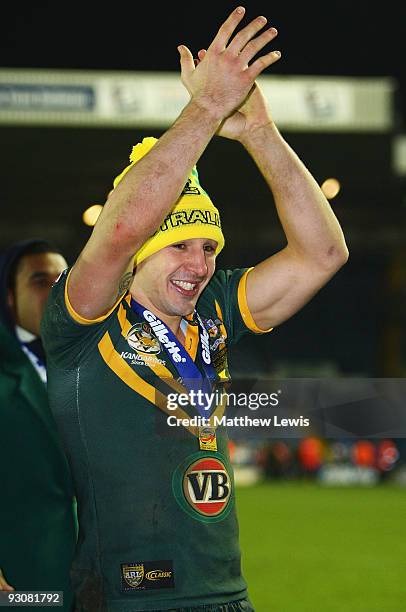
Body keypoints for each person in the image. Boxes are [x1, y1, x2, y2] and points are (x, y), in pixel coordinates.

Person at [41, 6, 348, 611]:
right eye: (180, 245)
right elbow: (124, 227)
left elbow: (323, 253)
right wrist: (206, 109)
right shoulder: (84, 318)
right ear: (140, 257)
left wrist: (260, 131)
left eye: (209, 247)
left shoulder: (214, 314)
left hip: (226, 595)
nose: (201, 263)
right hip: (130, 597)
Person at [0, 239, 77, 610]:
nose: (54, 290)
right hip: (23, 585)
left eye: (62, 280)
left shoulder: (99, 367)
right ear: (10, 299)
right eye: (38, 280)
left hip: (99, 586)